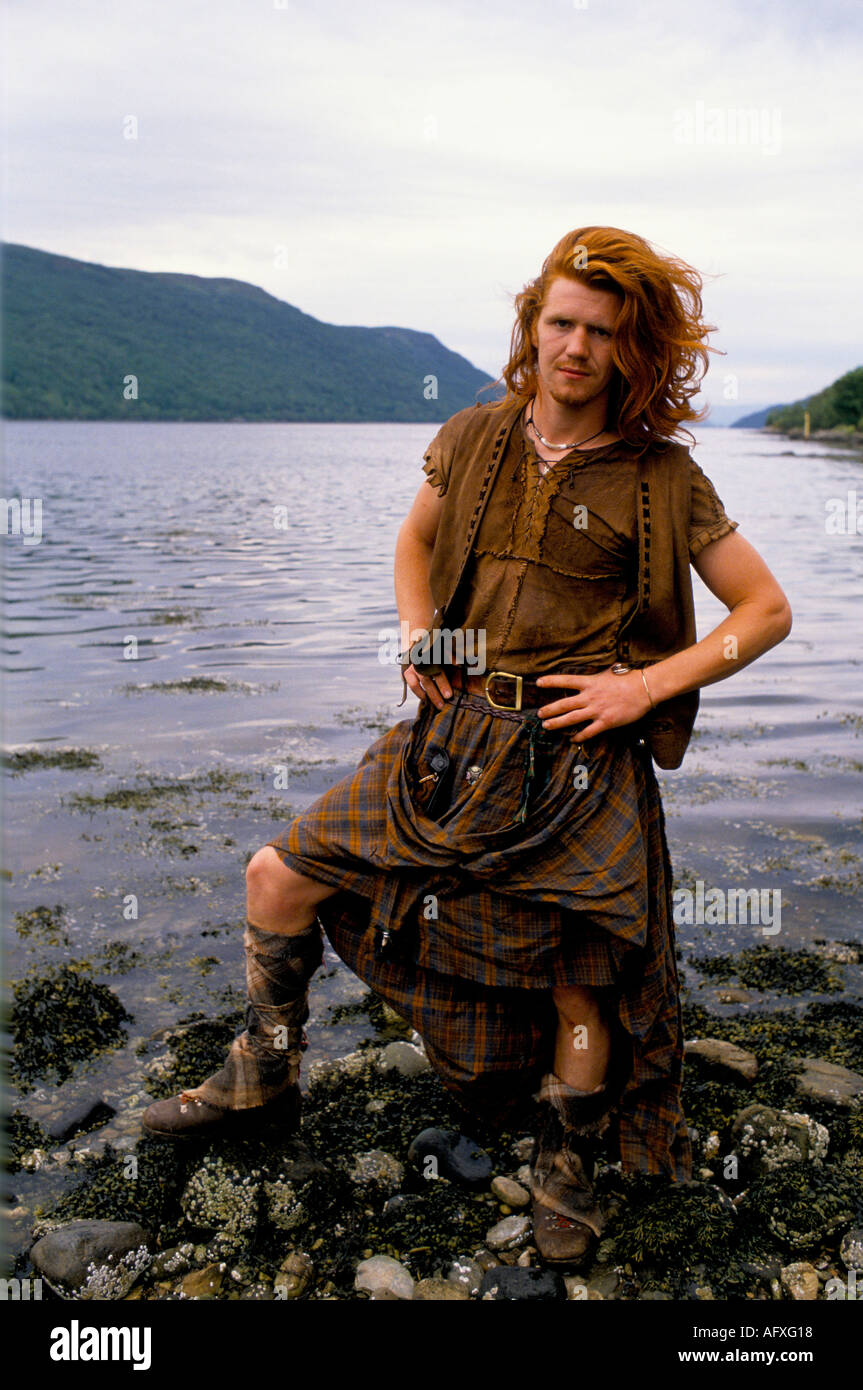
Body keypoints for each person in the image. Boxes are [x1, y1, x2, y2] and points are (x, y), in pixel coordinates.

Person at [143, 225, 792, 1266]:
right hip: (447, 743)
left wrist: (643, 685)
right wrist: (417, 633)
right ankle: (262, 1068)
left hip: (577, 768)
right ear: (531, 328)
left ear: (631, 351)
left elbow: (760, 611)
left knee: (582, 988)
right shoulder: (472, 434)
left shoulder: (663, 478)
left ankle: (566, 1167)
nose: (574, 347)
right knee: (278, 874)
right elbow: (412, 539)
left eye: (601, 333)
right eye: (560, 323)